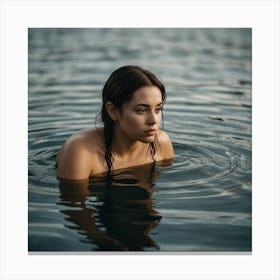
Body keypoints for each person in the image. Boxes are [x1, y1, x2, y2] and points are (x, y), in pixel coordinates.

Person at [56, 65, 174, 180]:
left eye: (158, 109)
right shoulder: (80, 151)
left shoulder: (162, 143)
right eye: (141, 110)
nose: (153, 120)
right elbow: (71, 198)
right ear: (113, 111)